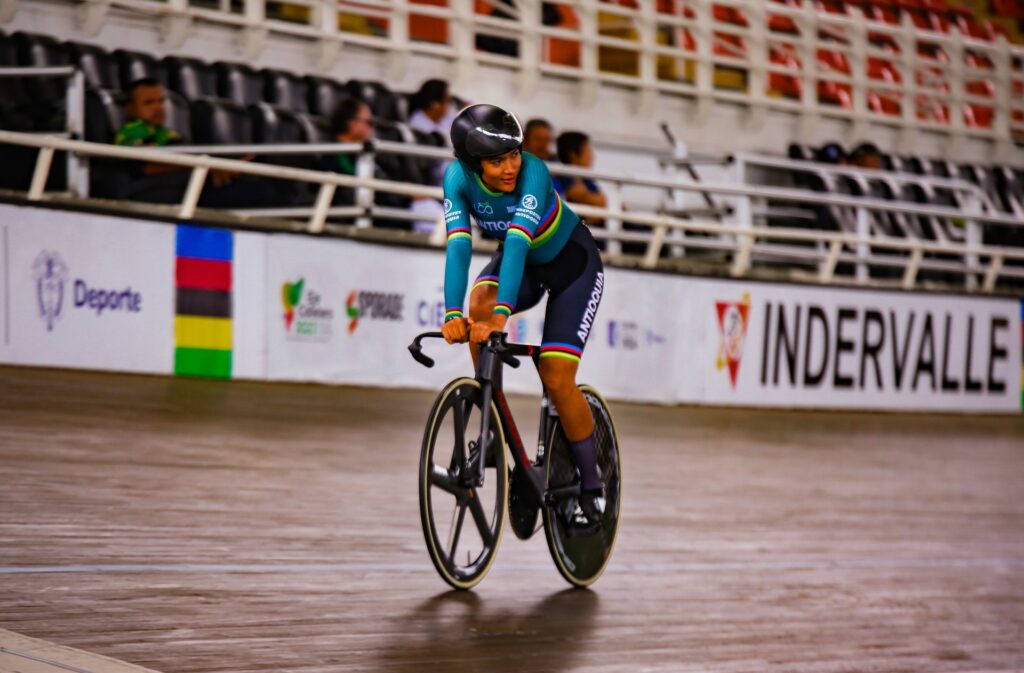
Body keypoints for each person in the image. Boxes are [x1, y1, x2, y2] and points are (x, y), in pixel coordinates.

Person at [440, 104, 606, 523]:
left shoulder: (533, 172)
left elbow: (516, 244)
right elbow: (458, 246)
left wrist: (501, 317)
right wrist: (453, 313)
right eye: (496, 161)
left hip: (572, 265)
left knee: (555, 374)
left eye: (512, 154)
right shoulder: (456, 180)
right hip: (526, 267)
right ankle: (490, 429)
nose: (510, 166)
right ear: (470, 164)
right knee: (477, 308)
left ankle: (592, 483)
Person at [112, 78, 271, 207]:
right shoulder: (131, 132)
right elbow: (144, 167)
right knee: (258, 192)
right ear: (130, 108)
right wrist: (203, 166)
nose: (158, 108)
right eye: (149, 103)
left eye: (161, 101)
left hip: (192, 184)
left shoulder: (167, 133)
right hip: (163, 190)